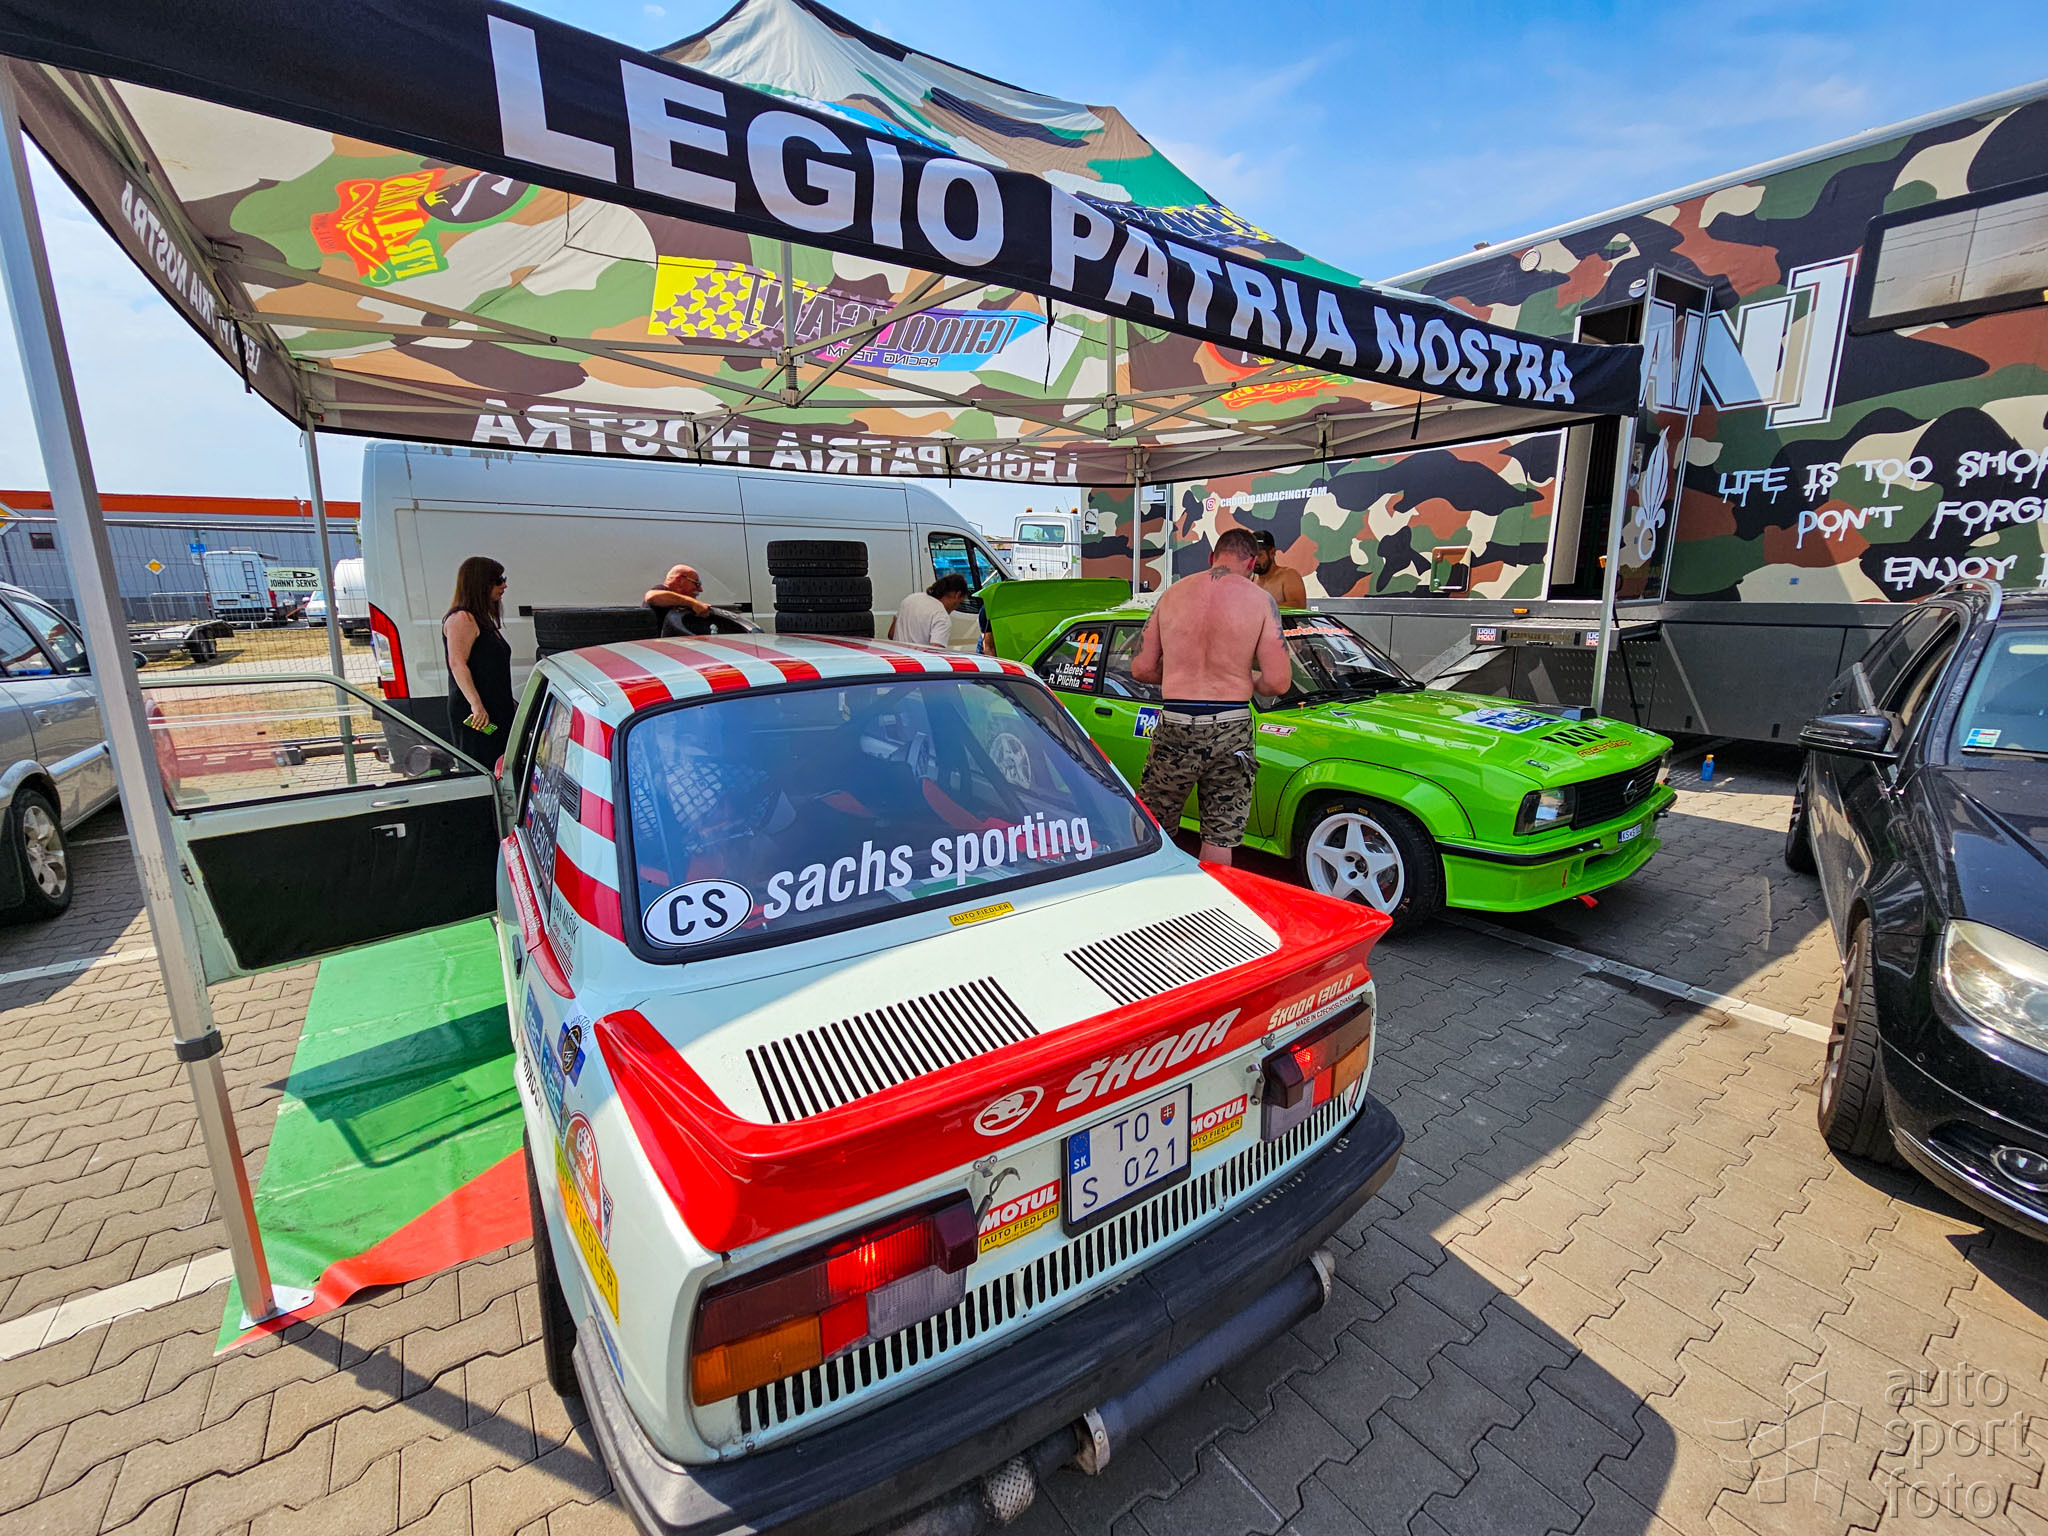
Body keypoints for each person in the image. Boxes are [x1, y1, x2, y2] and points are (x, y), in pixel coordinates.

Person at [1130, 528, 1291, 865]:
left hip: (1176, 722)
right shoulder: (1261, 601)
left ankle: (1150, 885)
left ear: (1211, 557)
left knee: (1153, 824)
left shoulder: (1172, 595)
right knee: (1220, 834)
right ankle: (1213, 894)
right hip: (1231, 726)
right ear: (1252, 562)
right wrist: (1244, 677)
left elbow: (1141, 668)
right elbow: (1278, 683)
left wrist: (1179, 673)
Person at [442, 556, 515, 769]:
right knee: (483, 765)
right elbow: (457, 664)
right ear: (481, 583)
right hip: (478, 713)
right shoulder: (462, 618)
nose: (504, 585)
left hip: (495, 707)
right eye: (498, 580)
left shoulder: (482, 619)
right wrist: (476, 705)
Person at [889, 573, 971, 648]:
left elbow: (891, 634)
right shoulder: (941, 616)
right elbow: (935, 651)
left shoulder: (910, 599)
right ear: (957, 594)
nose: (955, 608)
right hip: (918, 659)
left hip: (897, 657)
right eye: (960, 602)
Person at [645, 563, 713, 636]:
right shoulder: (661, 589)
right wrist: (694, 603)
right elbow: (651, 596)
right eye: (697, 584)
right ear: (679, 580)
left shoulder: (681, 602)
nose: (700, 589)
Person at [1251, 528, 1308, 609]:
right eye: (1252, 555)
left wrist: (1263, 607)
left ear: (1272, 553)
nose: (1255, 560)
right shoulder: (1251, 580)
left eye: (1260, 555)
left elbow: (1299, 605)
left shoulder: (1288, 575)